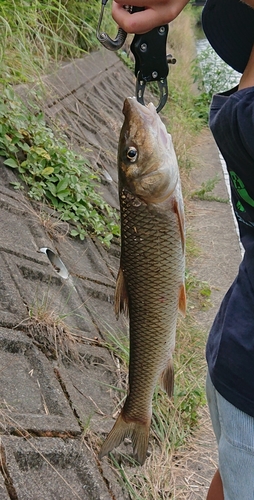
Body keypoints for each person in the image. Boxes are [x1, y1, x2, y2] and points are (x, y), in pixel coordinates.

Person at [112, 1, 254, 499]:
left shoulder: (239, 122)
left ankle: (139, 409)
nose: (136, 117)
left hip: (237, 359)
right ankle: (139, 406)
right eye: (134, 153)